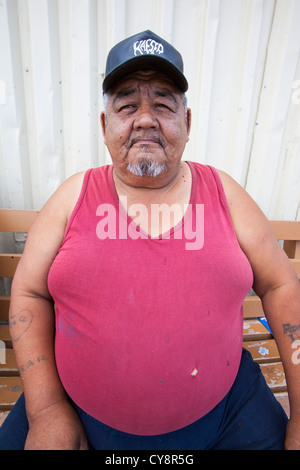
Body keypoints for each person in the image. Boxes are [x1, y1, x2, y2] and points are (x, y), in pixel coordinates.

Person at [0, 30, 299, 450]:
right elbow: (29, 293)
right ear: (106, 127)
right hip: (77, 415)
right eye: (127, 105)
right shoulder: (73, 197)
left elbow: (281, 285)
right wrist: (47, 410)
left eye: (163, 104)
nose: (145, 118)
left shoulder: (224, 194)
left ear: (187, 123)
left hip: (228, 414)